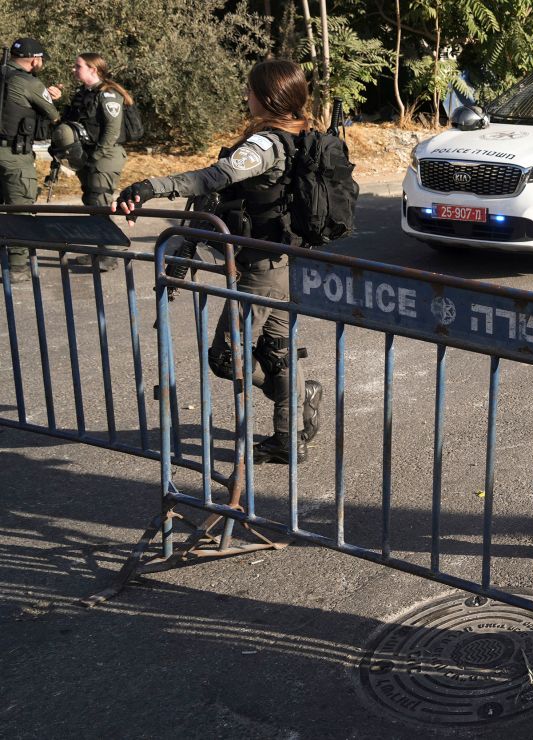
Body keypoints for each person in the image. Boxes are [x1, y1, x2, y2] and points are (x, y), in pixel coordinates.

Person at [113, 59, 322, 465]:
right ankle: (288, 433)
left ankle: (292, 397)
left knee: (226, 357)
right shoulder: (303, 134)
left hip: (263, 271)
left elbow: (213, 178)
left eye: (250, 91)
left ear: (267, 97)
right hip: (282, 260)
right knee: (276, 353)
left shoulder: (264, 145)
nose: (246, 97)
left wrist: (151, 186)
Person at [62, 53, 132, 270]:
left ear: (93, 69)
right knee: (92, 204)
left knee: (100, 204)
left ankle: (108, 255)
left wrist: (96, 157)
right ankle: (98, 251)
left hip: (105, 157)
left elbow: (111, 131)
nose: (74, 70)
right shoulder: (84, 94)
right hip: (88, 157)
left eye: (78, 66)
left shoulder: (108, 94)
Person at [0, 38, 62, 283]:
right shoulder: (29, 82)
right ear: (34, 59)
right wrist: (50, 96)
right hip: (15, 155)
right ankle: (17, 267)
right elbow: (52, 115)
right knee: (20, 207)